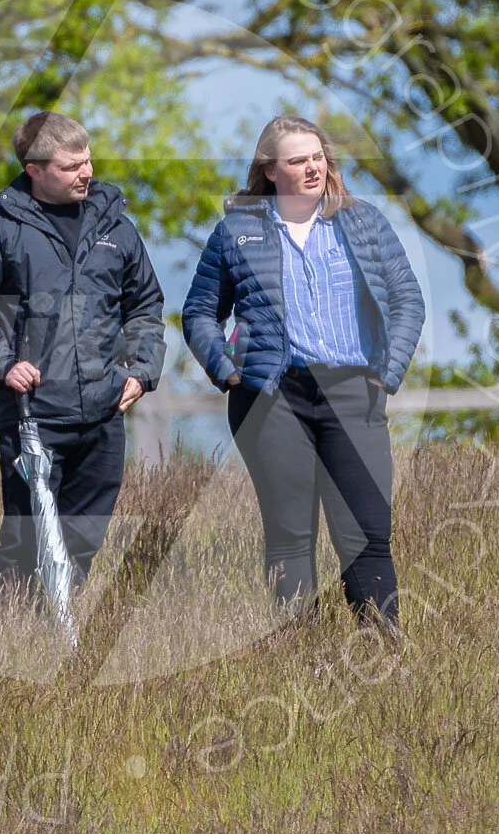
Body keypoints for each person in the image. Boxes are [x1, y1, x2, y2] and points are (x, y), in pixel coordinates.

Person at [181, 114, 425, 630]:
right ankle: (299, 653)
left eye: (319, 157)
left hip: (354, 390)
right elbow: (200, 311)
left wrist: (387, 372)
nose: (314, 167)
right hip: (271, 396)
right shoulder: (236, 231)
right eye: (298, 160)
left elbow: (407, 298)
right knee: (290, 536)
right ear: (270, 170)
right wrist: (226, 371)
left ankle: (383, 649)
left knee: (367, 532)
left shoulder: (363, 222)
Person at [0, 111, 166, 589]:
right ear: (35, 170)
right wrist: (2, 365)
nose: (87, 172)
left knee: (82, 542)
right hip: (32, 411)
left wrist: (142, 369)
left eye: (88, 161)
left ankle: (55, 625)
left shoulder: (116, 226)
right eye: (71, 166)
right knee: (26, 543)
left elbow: (145, 304)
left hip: (104, 411)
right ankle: (9, 625)